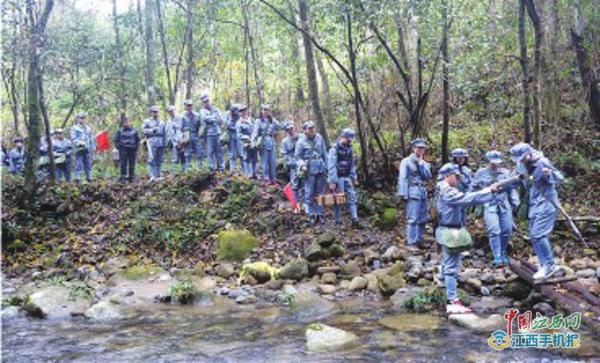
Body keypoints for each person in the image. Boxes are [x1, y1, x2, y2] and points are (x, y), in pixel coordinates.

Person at [436, 163, 501, 313]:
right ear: (447, 176)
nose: (458, 179)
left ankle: (442, 283)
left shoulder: (441, 188)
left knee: (447, 261)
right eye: (455, 176)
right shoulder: (448, 192)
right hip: (450, 230)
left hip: (445, 228)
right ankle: (452, 300)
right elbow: (467, 199)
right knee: (452, 265)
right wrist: (488, 192)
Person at [510, 142, 565, 280]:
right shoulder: (521, 165)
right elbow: (515, 179)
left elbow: (560, 178)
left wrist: (550, 173)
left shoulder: (542, 162)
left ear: (529, 152)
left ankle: (549, 265)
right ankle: (544, 264)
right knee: (534, 236)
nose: (521, 160)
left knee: (538, 234)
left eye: (523, 157)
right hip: (533, 203)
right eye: (519, 159)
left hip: (547, 202)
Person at [471, 151, 519, 267]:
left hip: (504, 204)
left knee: (507, 230)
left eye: (497, 163)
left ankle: (502, 252)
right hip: (489, 204)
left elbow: (512, 188)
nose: (495, 165)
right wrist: (477, 200)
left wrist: (515, 201)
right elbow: (473, 188)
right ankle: (496, 255)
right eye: (493, 163)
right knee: (494, 230)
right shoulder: (481, 173)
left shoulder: (505, 173)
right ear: (489, 161)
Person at [397, 138, 432, 247]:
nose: (421, 150)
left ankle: (419, 239)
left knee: (423, 218)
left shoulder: (425, 163)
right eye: (419, 148)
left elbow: (428, 177)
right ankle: (411, 242)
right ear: (413, 148)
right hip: (412, 191)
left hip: (422, 191)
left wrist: (421, 165)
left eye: (423, 148)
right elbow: (402, 177)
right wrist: (403, 193)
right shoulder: (406, 161)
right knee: (412, 218)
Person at [295, 121, 328, 224]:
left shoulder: (319, 138)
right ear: (304, 130)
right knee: (309, 192)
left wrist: (327, 167)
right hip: (309, 169)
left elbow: (324, 153)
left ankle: (319, 213)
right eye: (309, 128)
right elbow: (297, 157)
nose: (312, 130)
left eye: (313, 128)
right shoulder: (301, 142)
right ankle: (310, 213)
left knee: (320, 193)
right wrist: (302, 164)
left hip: (320, 167)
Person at [328, 128, 359, 227]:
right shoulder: (334, 149)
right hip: (338, 178)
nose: (350, 141)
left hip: (348, 177)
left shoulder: (350, 148)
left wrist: (354, 177)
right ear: (343, 137)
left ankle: (355, 219)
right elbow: (331, 165)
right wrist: (332, 181)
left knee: (352, 198)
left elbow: (352, 164)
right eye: (349, 139)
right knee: (338, 200)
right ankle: (338, 221)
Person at [253, 104, 281, 185]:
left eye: (267, 110)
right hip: (263, 143)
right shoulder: (258, 121)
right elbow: (255, 132)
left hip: (271, 143)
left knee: (273, 162)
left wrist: (274, 119)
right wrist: (253, 142)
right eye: (264, 110)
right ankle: (266, 179)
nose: (266, 112)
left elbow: (279, 127)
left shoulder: (272, 121)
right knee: (264, 162)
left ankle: (273, 179)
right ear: (262, 111)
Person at [281, 122, 303, 211]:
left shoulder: (301, 137)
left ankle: (305, 204)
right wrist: (293, 163)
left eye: (292, 128)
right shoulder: (285, 142)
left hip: (303, 165)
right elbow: (285, 155)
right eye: (288, 130)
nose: (291, 131)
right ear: (286, 131)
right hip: (293, 166)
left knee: (306, 184)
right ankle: (296, 205)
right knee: (295, 185)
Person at [199, 94, 224, 173]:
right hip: (208, 134)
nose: (206, 103)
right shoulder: (202, 111)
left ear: (210, 101)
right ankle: (212, 168)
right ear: (202, 103)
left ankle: (221, 168)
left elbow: (221, 120)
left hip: (218, 133)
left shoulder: (216, 109)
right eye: (204, 102)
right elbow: (205, 118)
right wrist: (214, 118)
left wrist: (211, 118)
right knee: (210, 151)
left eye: (207, 101)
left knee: (219, 151)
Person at [142, 105, 166, 180]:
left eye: (156, 112)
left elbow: (164, 133)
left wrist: (165, 142)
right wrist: (152, 130)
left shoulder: (161, 122)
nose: (155, 113)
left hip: (160, 142)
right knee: (152, 158)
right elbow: (143, 130)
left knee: (159, 159)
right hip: (152, 141)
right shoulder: (147, 121)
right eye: (154, 112)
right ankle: (151, 175)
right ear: (151, 112)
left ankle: (158, 175)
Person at [451, 148, 473, 226]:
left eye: (463, 158)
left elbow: (471, 184)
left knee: (463, 216)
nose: (461, 160)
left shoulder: (467, 170)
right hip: (452, 197)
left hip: (464, 196)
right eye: (459, 158)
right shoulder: (449, 169)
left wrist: (469, 195)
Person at [114, 117, 140, 183]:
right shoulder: (119, 131)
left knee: (132, 163)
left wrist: (136, 147)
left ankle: (131, 177)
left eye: (128, 122)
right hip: (123, 149)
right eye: (125, 122)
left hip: (132, 149)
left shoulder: (134, 131)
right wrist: (119, 147)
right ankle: (123, 177)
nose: (126, 123)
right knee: (123, 164)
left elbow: (137, 140)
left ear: (130, 123)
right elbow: (115, 140)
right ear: (123, 123)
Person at [70, 112, 95, 183]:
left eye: (83, 118)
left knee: (88, 163)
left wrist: (93, 148)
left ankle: (89, 177)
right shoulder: (74, 128)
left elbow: (91, 138)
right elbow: (74, 138)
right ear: (77, 119)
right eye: (80, 118)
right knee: (79, 163)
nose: (82, 120)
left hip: (87, 148)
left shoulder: (88, 128)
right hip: (79, 149)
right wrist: (80, 143)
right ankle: (76, 178)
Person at [166, 105, 191, 174]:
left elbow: (186, 130)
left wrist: (183, 141)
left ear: (175, 110)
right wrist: (175, 143)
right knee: (175, 159)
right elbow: (169, 134)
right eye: (170, 112)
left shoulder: (182, 118)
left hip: (183, 141)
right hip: (175, 143)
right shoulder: (168, 122)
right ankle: (175, 173)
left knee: (185, 156)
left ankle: (186, 172)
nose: (172, 112)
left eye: (172, 111)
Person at [236, 105, 258, 178]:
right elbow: (239, 135)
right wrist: (246, 138)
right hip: (246, 143)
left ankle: (254, 173)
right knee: (246, 159)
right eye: (241, 111)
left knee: (254, 158)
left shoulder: (251, 120)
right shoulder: (239, 123)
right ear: (239, 113)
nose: (244, 112)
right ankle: (247, 174)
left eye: (245, 110)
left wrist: (255, 137)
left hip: (254, 141)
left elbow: (256, 129)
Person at [182, 99, 204, 168]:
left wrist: (201, 136)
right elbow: (180, 127)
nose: (189, 107)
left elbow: (200, 125)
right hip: (186, 135)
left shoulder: (197, 115)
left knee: (199, 152)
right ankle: (187, 169)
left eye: (191, 105)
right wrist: (181, 139)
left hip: (195, 134)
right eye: (188, 105)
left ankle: (200, 168)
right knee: (187, 153)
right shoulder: (182, 116)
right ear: (185, 106)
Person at [225, 104, 242, 174]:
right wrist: (235, 127)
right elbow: (228, 125)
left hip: (239, 137)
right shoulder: (229, 116)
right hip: (231, 137)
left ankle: (243, 171)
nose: (235, 112)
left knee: (241, 154)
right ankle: (232, 171)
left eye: (236, 110)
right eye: (234, 110)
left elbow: (242, 125)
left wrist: (236, 127)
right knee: (232, 154)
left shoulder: (240, 116)